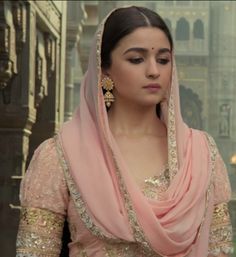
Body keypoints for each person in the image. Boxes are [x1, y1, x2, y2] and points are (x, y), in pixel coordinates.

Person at [16, 6, 234, 257]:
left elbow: (220, 250)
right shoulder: (59, 157)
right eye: (136, 59)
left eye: (163, 60)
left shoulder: (202, 155)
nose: (154, 70)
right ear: (104, 69)